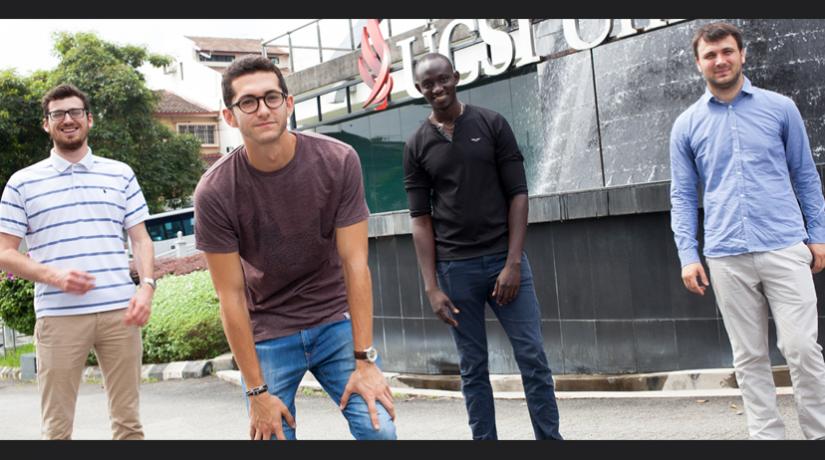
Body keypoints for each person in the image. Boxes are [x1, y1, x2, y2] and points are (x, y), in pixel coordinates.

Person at [193, 55, 396, 441]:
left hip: (334, 321)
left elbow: (356, 264)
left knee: (380, 430)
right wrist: (256, 392)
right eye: (248, 102)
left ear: (288, 103)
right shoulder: (216, 191)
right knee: (271, 438)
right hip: (268, 331)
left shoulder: (337, 160)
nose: (263, 109)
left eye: (272, 97)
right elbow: (231, 296)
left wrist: (365, 360)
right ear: (230, 116)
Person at [670, 21, 825, 440]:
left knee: (802, 351)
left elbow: (806, 176)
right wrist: (688, 254)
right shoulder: (686, 125)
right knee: (749, 357)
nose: (719, 61)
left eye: (727, 52)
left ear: (742, 55)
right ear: (698, 62)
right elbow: (682, 196)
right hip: (725, 254)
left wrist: (818, 234)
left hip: (784, 245)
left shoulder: (781, 108)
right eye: (710, 55)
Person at [402, 52, 562, 440]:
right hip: (455, 270)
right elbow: (420, 220)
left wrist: (512, 264)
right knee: (473, 369)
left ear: (456, 77)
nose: (438, 88)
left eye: (443, 79)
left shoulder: (491, 123)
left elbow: (519, 195)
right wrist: (432, 286)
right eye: (428, 84)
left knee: (533, 359)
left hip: (505, 264)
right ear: (419, 89)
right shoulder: (416, 145)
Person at [0, 83, 155, 440]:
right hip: (58, 317)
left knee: (129, 425)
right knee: (57, 428)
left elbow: (141, 239)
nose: (67, 120)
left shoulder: (120, 173)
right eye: (58, 114)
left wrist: (146, 288)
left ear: (89, 119)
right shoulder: (22, 183)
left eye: (74, 113)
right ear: (46, 124)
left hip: (121, 313)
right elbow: (5, 251)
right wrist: (53, 275)